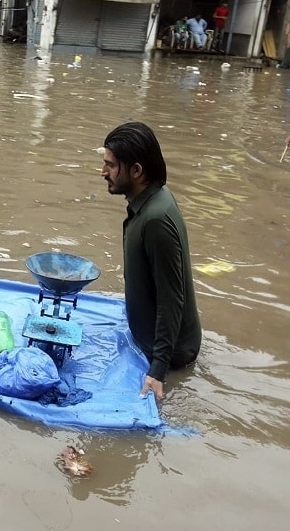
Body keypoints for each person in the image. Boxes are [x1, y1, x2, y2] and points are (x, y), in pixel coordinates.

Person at [100, 122, 202, 400]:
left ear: (136, 170)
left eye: (110, 165)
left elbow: (172, 299)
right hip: (152, 338)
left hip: (170, 354)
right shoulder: (151, 201)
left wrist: (157, 371)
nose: (103, 172)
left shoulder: (156, 219)